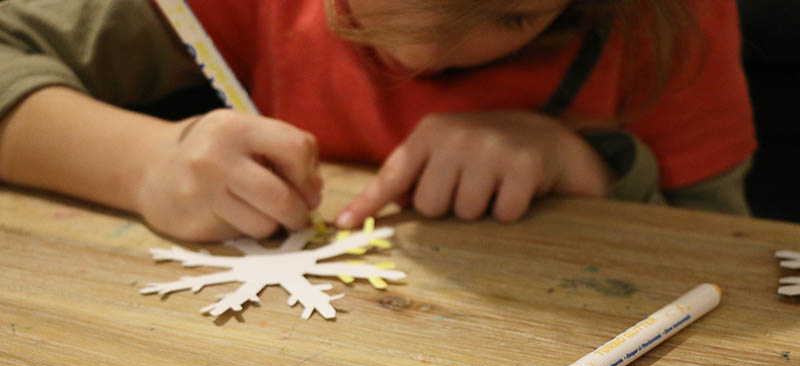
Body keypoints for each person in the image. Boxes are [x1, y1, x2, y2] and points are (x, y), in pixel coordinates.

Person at [0, 0, 755, 242]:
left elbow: (730, 259)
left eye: (512, 13)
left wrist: (587, 163)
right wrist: (140, 162)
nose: (417, 54)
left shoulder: (672, 23)